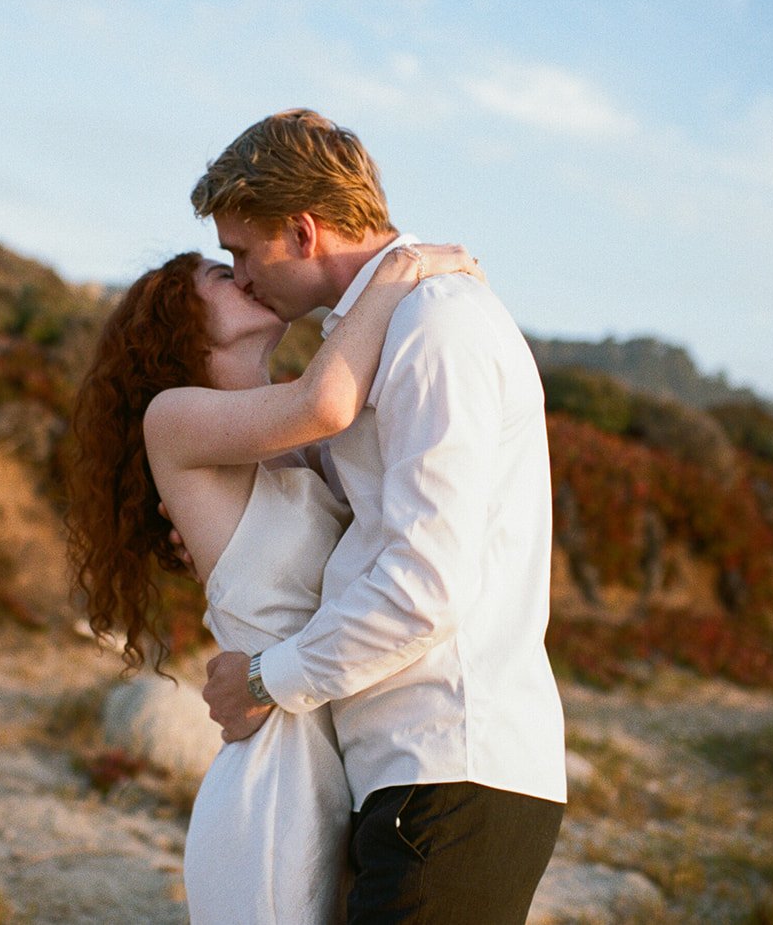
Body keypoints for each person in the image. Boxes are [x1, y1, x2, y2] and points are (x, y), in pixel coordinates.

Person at [193, 108, 567, 924]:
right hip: (410, 767)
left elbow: (425, 587)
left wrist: (264, 681)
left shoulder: (437, 327)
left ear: (302, 231)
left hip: (451, 761)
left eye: (242, 252)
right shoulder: (394, 330)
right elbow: (355, 516)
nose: (241, 277)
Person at [65, 242, 483, 923]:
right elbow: (326, 402)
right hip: (276, 773)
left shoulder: (293, 448)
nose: (248, 277)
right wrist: (396, 269)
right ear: (181, 319)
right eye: (221, 274)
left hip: (347, 755)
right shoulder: (172, 416)